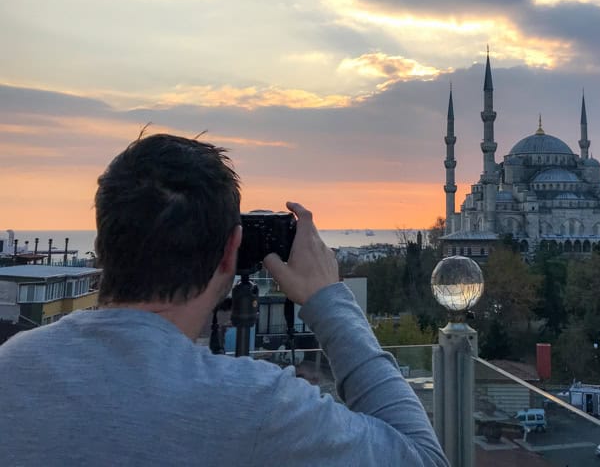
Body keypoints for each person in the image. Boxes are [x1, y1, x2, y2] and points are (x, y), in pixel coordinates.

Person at [0, 134, 449, 467]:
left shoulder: (12, 365)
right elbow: (423, 458)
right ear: (230, 252)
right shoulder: (255, 405)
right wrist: (328, 299)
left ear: (103, 244)